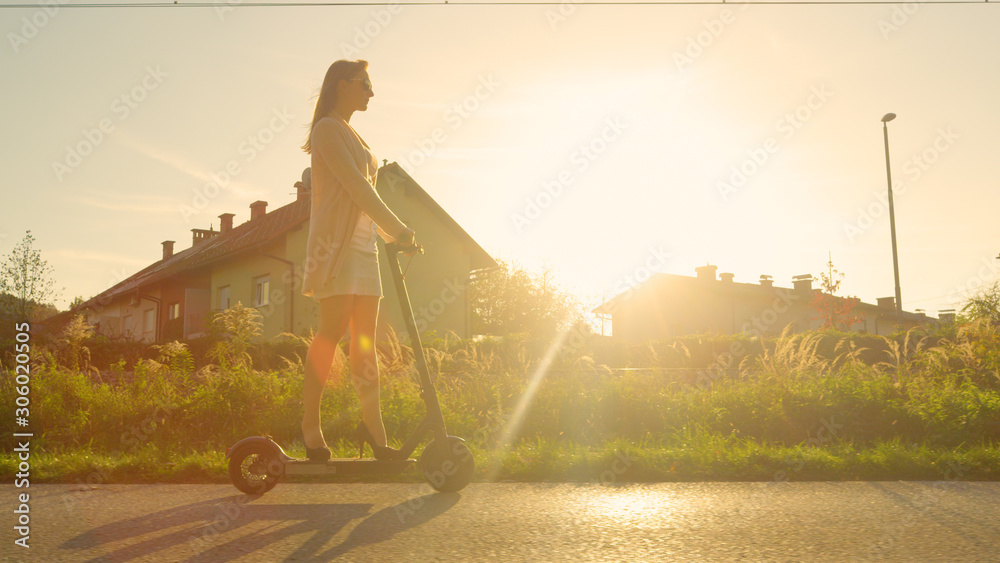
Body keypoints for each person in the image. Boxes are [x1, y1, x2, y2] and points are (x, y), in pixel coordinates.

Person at [299, 59, 416, 462]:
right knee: (331, 334)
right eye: (365, 84)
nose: (371, 91)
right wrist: (400, 228)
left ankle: (374, 430)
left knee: (365, 342)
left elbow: (368, 202)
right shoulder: (327, 130)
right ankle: (310, 427)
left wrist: (391, 237)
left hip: (365, 249)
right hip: (338, 248)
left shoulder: (355, 135)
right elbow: (355, 190)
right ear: (342, 85)